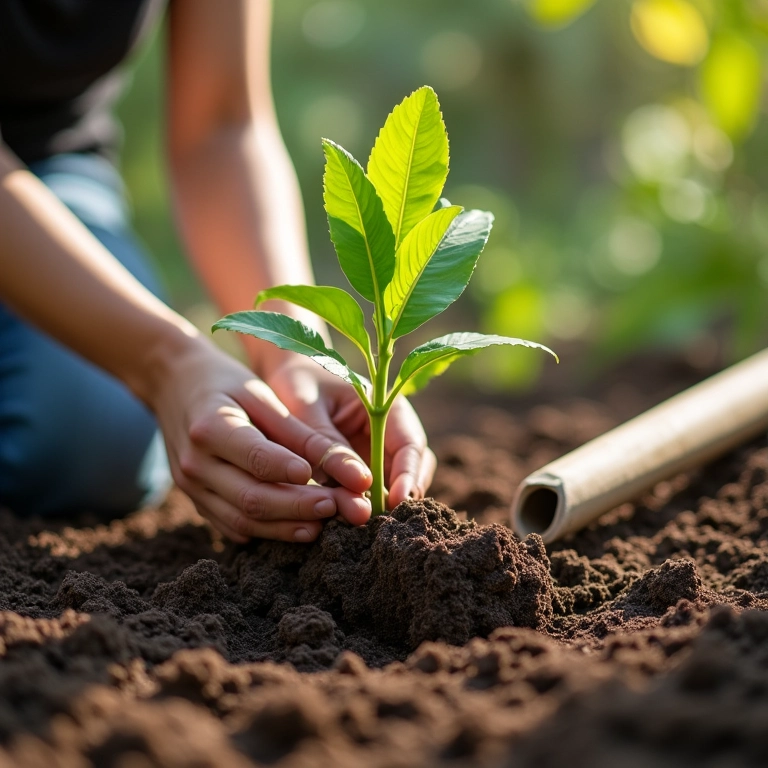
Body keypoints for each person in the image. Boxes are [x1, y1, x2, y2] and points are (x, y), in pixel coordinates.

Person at [0, 0, 436, 543]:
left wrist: (294, 349)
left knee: (91, 434)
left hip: (50, 169)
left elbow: (223, 125)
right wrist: (166, 362)